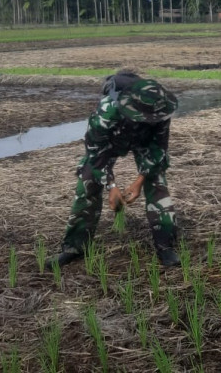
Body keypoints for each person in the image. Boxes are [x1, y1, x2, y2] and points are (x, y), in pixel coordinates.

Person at [47, 69, 182, 270]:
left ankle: (165, 246)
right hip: (112, 139)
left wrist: (139, 181)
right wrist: (111, 186)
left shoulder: (159, 108)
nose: (155, 119)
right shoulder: (107, 112)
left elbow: (158, 149)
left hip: (144, 140)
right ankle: (74, 247)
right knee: (88, 181)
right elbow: (96, 153)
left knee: (157, 182)